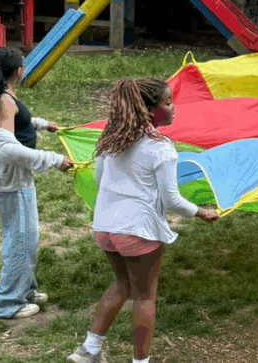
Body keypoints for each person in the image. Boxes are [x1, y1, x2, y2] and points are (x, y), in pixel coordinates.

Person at [68, 78, 219, 363]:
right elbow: (172, 200)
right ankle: (140, 361)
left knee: (122, 283)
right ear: (150, 110)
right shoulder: (160, 148)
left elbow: (100, 179)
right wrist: (201, 212)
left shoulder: (110, 140)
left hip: (105, 227)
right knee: (144, 296)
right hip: (138, 231)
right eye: (167, 102)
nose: (173, 108)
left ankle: (89, 350)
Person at [0, 47, 73, 320]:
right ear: (18, 70)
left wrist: (41, 124)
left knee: (25, 237)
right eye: (23, 65)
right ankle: (6, 303)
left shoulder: (2, 94)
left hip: (14, 178)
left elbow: (17, 122)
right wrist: (52, 159)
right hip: (11, 181)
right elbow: (6, 148)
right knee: (20, 240)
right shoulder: (3, 99)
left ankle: (24, 289)